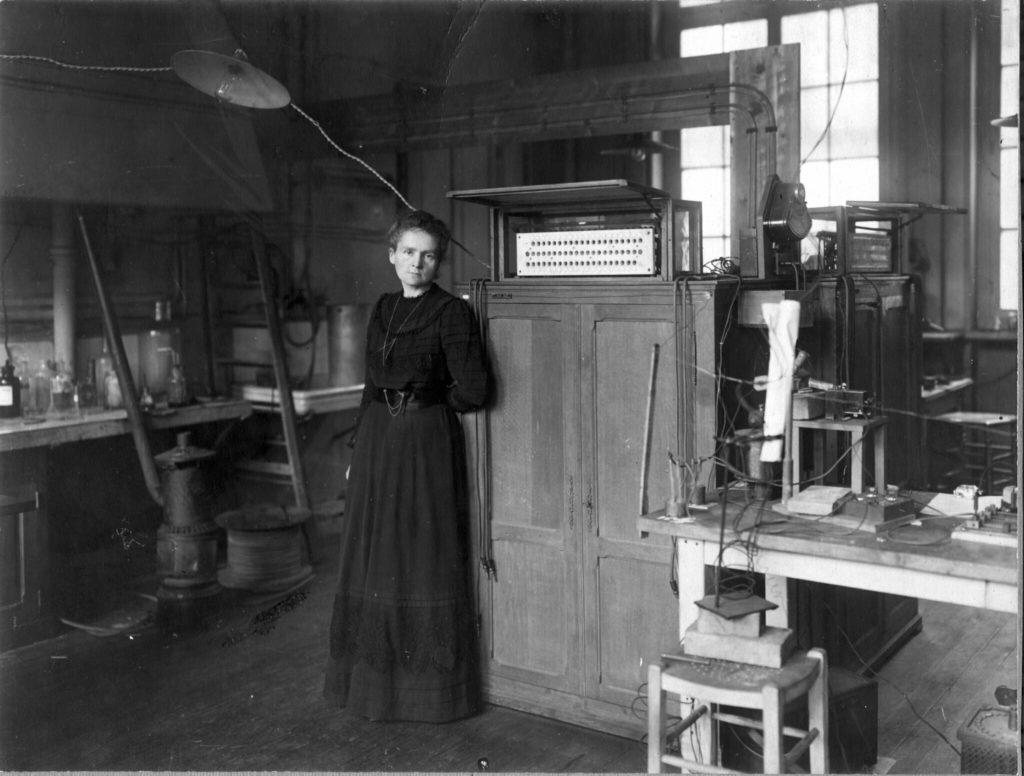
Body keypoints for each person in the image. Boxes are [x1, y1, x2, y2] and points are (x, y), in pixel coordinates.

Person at [324, 209, 489, 722]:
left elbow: (477, 389)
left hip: (423, 443)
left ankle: (424, 698)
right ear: (392, 254)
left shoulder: (451, 313)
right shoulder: (382, 308)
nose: (418, 262)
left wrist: (428, 406)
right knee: (373, 557)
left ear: (438, 262)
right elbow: (372, 387)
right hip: (377, 441)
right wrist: (358, 452)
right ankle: (370, 688)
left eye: (429, 255)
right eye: (410, 252)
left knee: (418, 555)